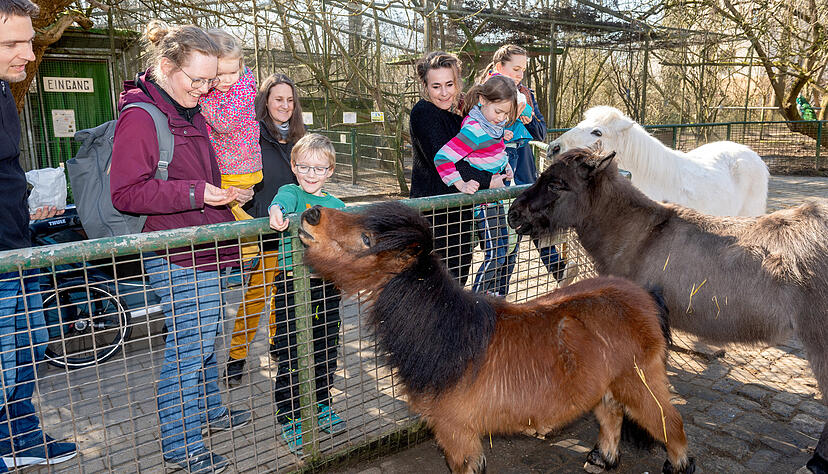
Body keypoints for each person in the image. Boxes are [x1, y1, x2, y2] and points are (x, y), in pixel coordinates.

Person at [109, 20, 253, 473]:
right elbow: (127, 192)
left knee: (207, 336)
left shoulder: (188, 106)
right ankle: (182, 446)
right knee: (188, 350)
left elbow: (196, 173)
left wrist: (227, 193)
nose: (207, 88)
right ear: (167, 66)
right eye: (198, 79)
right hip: (177, 254)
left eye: (212, 80)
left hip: (207, 243)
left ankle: (210, 411)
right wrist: (197, 193)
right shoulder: (142, 117)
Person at [0, 0, 76, 470]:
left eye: (28, 40)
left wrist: (26, 210)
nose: (28, 53)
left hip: (16, 246)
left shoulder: (3, 93)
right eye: (12, 42)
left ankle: (19, 435)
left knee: (29, 345)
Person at [267, 133, 345, 454]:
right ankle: (290, 416)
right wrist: (276, 211)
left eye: (319, 169)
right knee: (290, 347)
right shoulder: (293, 194)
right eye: (305, 167)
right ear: (294, 168)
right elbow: (280, 202)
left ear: (329, 171)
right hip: (292, 283)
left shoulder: (337, 205)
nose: (311, 174)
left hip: (326, 284)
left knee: (326, 344)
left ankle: (321, 402)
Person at [224, 74, 303, 386]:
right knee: (257, 293)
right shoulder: (252, 134)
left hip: (292, 227)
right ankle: (236, 356)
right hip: (262, 225)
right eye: (278, 99)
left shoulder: (299, 137)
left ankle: (277, 343)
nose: (284, 105)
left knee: (284, 290)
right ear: (266, 101)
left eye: (289, 100)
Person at [409, 51, 506, 286]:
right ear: (425, 86)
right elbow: (445, 160)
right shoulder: (424, 113)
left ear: (458, 82)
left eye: (449, 84)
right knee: (434, 287)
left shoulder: (463, 114)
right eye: (436, 86)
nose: (444, 93)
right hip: (433, 214)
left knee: (458, 278)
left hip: (459, 212)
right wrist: (488, 180)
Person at [479, 44, 564, 293]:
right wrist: (513, 114)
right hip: (497, 168)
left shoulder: (526, 93)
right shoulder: (485, 94)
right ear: (498, 68)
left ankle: (501, 296)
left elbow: (539, 131)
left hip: (523, 166)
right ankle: (484, 296)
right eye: (515, 69)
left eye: (523, 70)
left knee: (519, 233)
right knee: (500, 244)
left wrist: (529, 113)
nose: (519, 75)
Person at [433, 75, 518, 295]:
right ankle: (475, 301)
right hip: (484, 202)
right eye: (498, 112)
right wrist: (460, 183)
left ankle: (488, 297)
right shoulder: (475, 130)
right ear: (482, 100)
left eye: (506, 114)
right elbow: (443, 158)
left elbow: (495, 153)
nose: (501, 118)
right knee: (496, 254)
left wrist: (506, 167)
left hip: (497, 197)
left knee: (504, 250)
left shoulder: (491, 125)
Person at [199, 29, 261, 262]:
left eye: (232, 72)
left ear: (241, 66)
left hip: (237, 167)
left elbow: (225, 123)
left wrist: (201, 99)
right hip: (234, 165)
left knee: (225, 205)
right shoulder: (223, 87)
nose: (226, 80)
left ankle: (247, 243)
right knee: (229, 207)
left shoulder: (242, 88)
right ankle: (244, 247)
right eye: (220, 74)